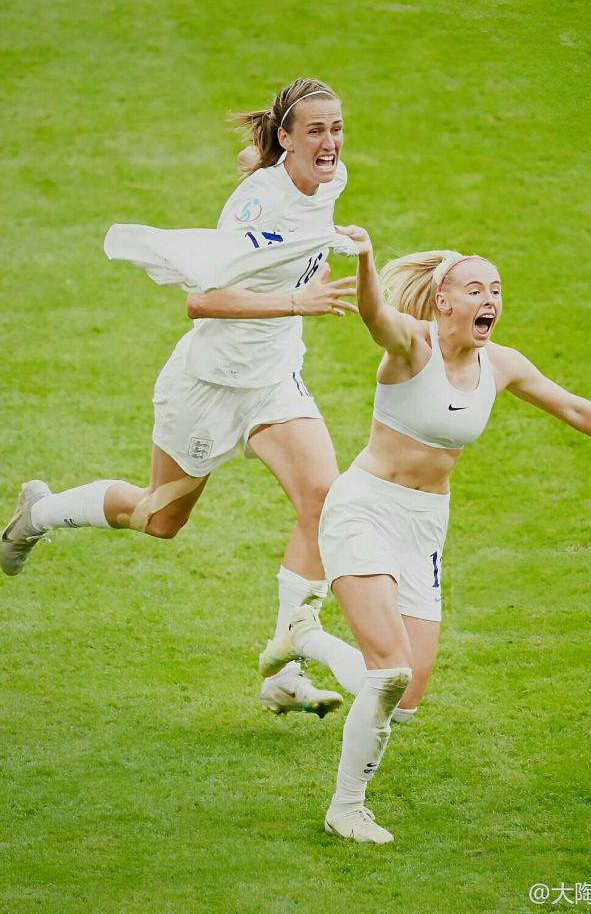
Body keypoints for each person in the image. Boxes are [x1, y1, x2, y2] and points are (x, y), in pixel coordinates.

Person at [259, 225, 591, 843]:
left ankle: (305, 636)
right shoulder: (410, 345)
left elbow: (572, 406)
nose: (490, 300)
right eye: (476, 289)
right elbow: (372, 313)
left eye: (496, 290)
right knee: (389, 674)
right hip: (364, 511)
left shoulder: (499, 365)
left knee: (404, 698)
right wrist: (366, 258)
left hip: (425, 526)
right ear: (443, 300)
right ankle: (347, 808)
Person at [1, 77, 358, 719]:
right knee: (158, 519)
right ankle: (39, 513)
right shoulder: (258, 207)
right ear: (287, 137)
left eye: (336, 128)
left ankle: (285, 670)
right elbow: (202, 300)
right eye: (315, 131)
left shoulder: (327, 176)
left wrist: (265, 163)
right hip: (208, 386)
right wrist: (296, 299)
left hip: (274, 380)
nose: (330, 142)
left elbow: (267, 168)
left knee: (323, 500)